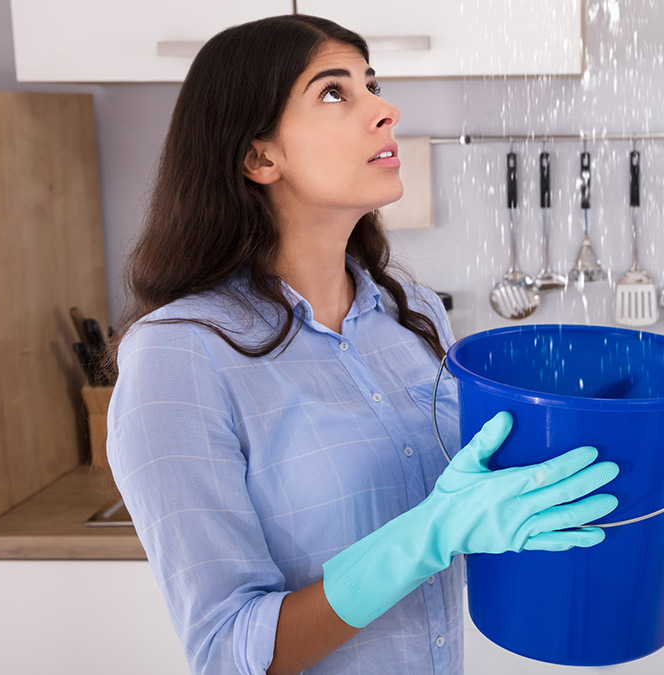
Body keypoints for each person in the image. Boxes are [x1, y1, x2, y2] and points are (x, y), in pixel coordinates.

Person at [105, 14, 619, 675]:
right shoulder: (178, 356)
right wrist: (426, 536)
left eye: (370, 83)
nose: (385, 109)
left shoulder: (413, 315)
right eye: (333, 92)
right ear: (260, 156)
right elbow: (228, 652)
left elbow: (469, 509)